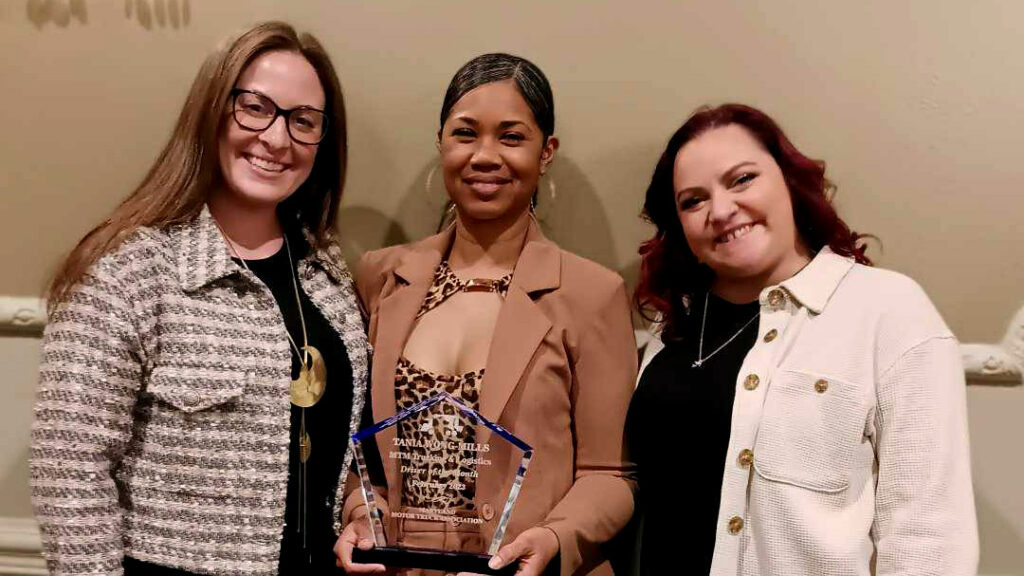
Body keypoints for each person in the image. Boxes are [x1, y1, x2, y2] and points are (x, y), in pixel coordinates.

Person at [30, 22, 369, 575]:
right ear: (211, 111)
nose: (277, 139)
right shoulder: (127, 270)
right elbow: (69, 470)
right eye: (255, 108)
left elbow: (344, 443)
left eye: (303, 121)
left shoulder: (324, 267)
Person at [627, 103, 978, 575]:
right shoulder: (671, 329)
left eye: (742, 179)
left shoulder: (889, 311)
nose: (722, 210)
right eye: (693, 200)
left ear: (790, 182)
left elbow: (929, 536)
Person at [335, 53, 637, 576]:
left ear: (547, 153)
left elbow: (611, 473)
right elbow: (359, 449)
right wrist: (363, 513)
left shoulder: (593, 294)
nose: (485, 156)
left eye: (512, 137)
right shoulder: (380, 279)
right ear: (441, 142)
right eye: (466, 133)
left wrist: (554, 538)